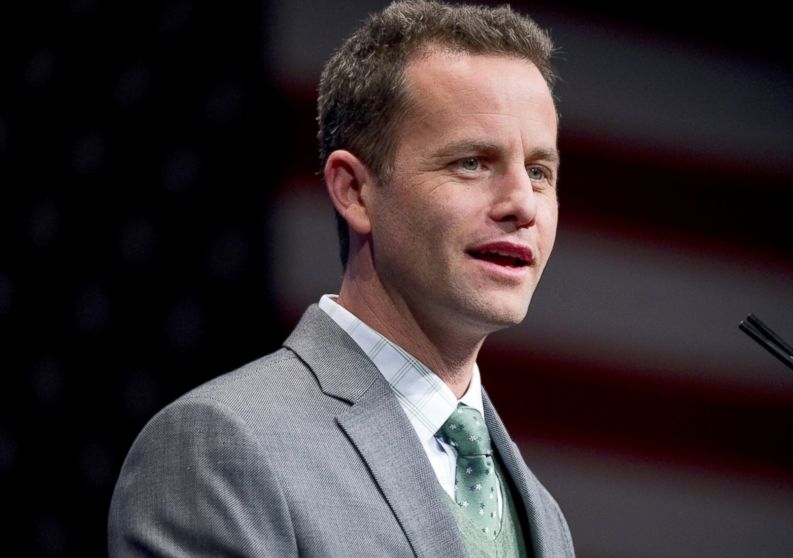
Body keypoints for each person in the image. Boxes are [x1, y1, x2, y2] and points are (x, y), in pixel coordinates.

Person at [107, 1, 574, 556]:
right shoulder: (222, 447)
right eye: (472, 162)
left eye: (540, 172)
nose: (523, 203)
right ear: (355, 191)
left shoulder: (542, 514)